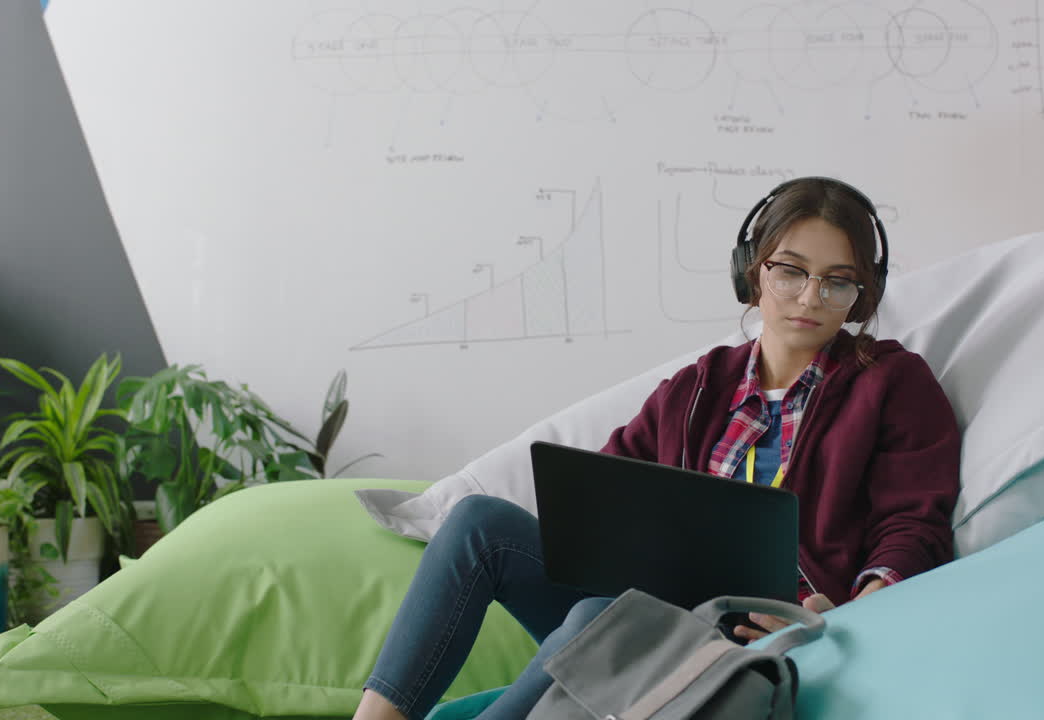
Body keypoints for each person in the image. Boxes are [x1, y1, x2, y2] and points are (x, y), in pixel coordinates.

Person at [352, 177, 961, 720]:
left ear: (865, 292)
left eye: (838, 282)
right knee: (480, 524)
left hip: (760, 631)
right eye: (791, 271)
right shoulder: (698, 387)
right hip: (650, 609)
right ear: (753, 271)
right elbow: (607, 493)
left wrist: (852, 614)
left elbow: (913, 524)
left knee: (602, 621)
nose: (809, 299)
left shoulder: (890, 382)